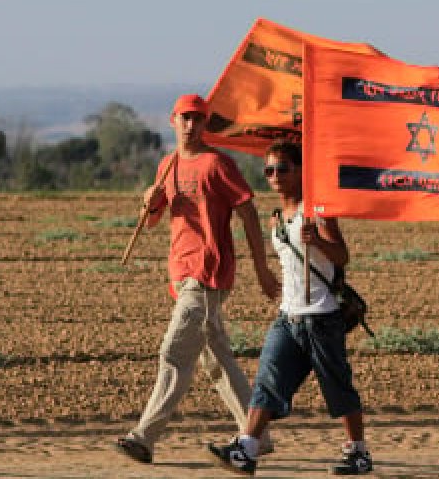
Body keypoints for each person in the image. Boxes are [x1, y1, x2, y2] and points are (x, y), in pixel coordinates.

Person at [115, 94, 280, 464]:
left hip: (207, 273)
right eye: (186, 118)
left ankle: (144, 437)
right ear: (173, 120)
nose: (192, 125)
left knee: (173, 352)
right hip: (181, 273)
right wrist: (149, 202)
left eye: (199, 119)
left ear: (205, 125)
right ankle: (258, 434)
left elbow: (249, 214)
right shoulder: (167, 165)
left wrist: (262, 269)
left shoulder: (217, 164)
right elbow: (155, 219)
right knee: (216, 359)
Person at [208, 141, 372, 476]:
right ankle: (247, 449)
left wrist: (319, 242)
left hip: (322, 317)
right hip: (289, 315)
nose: (275, 175)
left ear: (300, 171)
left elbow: (342, 256)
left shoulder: (317, 212)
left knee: (336, 384)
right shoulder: (277, 219)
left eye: (283, 168)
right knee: (268, 379)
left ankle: (358, 452)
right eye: (269, 170)